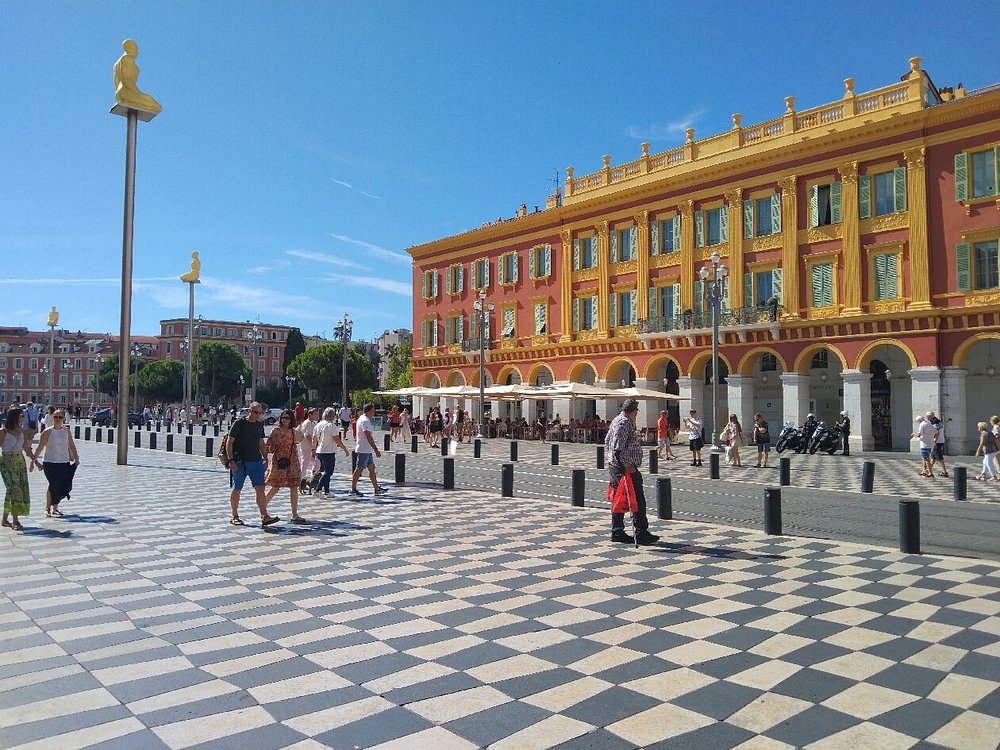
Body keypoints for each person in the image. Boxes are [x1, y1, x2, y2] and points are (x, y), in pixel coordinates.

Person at [605, 399, 659, 545]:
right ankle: (641, 532)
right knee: (637, 500)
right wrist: (628, 466)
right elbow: (618, 448)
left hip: (617, 465)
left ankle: (617, 531)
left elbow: (607, 441)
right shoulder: (624, 422)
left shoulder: (617, 420)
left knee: (619, 498)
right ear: (634, 411)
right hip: (624, 468)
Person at [225, 402, 279, 527]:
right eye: (255, 412)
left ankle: (264, 516)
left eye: (260, 413)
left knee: (260, 488)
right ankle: (234, 515)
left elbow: (261, 443)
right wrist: (231, 460)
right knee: (237, 489)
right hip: (240, 462)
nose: (258, 415)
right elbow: (230, 442)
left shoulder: (259, 425)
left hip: (256, 462)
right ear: (249, 411)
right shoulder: (239, 424)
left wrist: (266, 458)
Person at [31, 409, 79, 517]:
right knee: (53, 484)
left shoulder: (66, 431)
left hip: (64, 461)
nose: (57, 419)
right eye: (55, 417)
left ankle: (55, 507)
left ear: (63, 419)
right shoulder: (47, 432)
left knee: (62, 485)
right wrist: (33, 461)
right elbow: (40, 447)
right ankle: (47, 507)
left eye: (60, 417)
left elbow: (71, 445)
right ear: (52, 418)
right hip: (50, 462)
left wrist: (76, 458)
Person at [1, 408, 39, 531]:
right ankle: (15, 520)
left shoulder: (21, 432)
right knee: (14, 488)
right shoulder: (3, 431)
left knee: (12, 489)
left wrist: (36, 462)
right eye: (21, 415)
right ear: (15, 417)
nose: (23, 418)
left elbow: (27, 450)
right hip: (7, 461)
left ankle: (4, 519)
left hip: (19, 462)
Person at [264, 409, 304, 522]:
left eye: (287, 418)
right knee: (275, 487)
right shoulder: (276, 431)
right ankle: (262, 506)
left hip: (292, 461)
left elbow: (299, 440)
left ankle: (295, 514)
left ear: (291, 420)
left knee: (294, 487)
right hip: (279, 461)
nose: (284, 420)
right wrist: (266, 458)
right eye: (283, 418)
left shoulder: (293, 431)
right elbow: (268, 446)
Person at [351, 403, 386, 497]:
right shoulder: (365, 420)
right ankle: (353, 489)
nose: (374, 412)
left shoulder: (364, 419)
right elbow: (368, 435)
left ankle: (376, 488)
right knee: (359, 469)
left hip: (367, 449)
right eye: (373, 410)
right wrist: (376, 449)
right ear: (369, 411)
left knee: (371, 468)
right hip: (363, 449)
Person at [315, 407, 349, 498]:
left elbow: (314, 438)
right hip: (328, 451)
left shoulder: (318, 425)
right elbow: (336, 439)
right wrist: (344, 448)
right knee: (329, 472)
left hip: (320, 450)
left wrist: (314, 449)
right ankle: (318, 489)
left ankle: (327, 491)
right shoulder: (331, 426)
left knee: (326, 471)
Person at [298, 407, 320, 493]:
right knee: (304, 464)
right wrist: (313, 447)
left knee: (317, 463)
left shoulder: (313, 423)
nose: (317, 415)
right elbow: (307, 436)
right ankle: (300, 482)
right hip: (307, 447)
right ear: (310, 415)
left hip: (312, 448)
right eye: (315, 414)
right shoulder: (306, 423)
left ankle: (312, 480)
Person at [926, 411, 948, 477]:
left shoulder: (934, 422)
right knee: (933, 456)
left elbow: (936, 433)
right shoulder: (938, 421)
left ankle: (945, 471)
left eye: (927, 417)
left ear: (930, 416)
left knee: (939, 457)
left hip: (937, 441)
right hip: (940, 440)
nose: (927, 418)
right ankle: (928, 470)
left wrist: (934, 442)